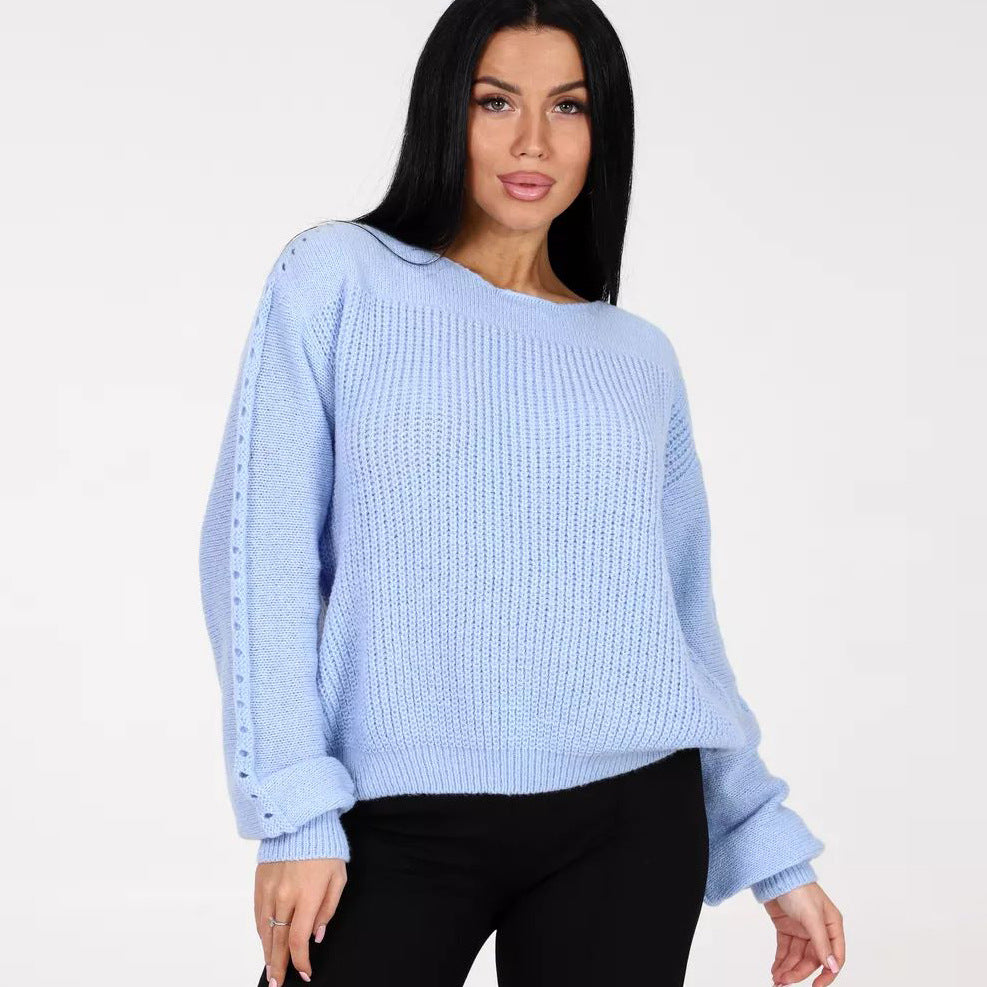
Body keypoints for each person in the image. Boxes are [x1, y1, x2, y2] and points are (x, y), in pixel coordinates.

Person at [198, 1, 846, 985]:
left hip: (629, 818)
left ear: (602, 130)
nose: (533, 141)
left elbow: (678, 620)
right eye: (495, 101)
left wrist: (764, 838)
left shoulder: (636, 356)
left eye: (568, 106)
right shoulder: (338, 279)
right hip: (388, 816)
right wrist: (293, 808)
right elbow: (261, 554)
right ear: (444, 112)